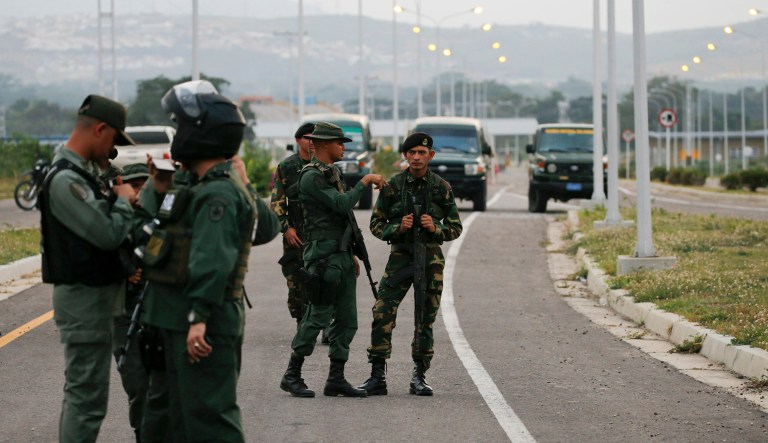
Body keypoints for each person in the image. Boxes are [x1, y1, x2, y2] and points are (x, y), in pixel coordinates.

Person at [138, 80, 255, 442]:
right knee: (168, 418)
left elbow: (212, 260)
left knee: (208, 419)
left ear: (203, 133)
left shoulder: (219, 191)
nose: (179, 133)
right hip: (171, 318)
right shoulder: (194, 185)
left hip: (200, 321)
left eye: (183, 125)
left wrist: (199, 318)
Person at [39, 94, 137, 442]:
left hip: (94, 300)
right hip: (84, 302)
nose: (112, 149)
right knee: (86, 401)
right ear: (99, 129)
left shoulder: (81, 175)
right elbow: (107, 233)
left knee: (86, 396)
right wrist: (124, 202)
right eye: (112, 139)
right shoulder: (67, 180)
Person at [279, 121, 386, 398]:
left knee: (347, 319)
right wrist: (364, 181)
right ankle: (292, 374)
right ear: (325, 144)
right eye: (340, 143)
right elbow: (341, 204)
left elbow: (341, 218)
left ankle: (336, 378)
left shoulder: (332, 172)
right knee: (318, 316)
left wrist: (350, 252)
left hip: (338, 254)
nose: (343, 148)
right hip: (323, 256)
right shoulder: (311, 176)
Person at [358, 132, 462, 396]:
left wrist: (436, 228)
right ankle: (377, 375)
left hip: (430, 260)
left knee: (424, 319)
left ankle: (419, 375)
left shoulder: (441, 187)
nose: (417, 157)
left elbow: (455, 227)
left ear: (431, 156)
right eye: (412, 152)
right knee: (382, 312)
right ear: (405, 155)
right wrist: (396, 228)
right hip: (401, 258)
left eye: (422, 153)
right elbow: (375, 224)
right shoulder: (393, 186)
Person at [110, 163, 152, 442]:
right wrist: (124, 270)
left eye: (143, 186)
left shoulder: (162, 220)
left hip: (159, 313)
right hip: (125, 312)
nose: (138, 193)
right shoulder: (113, 220)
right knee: (138, 385)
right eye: (133, 186)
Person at [270, 122, 314, 323]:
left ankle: (325, 324)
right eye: (307, 137)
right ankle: (301, 321)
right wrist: (286, 228)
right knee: (296, 281)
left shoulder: (326, 166)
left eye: (316, 137)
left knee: (323, 280)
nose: (312, 141)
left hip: (321, 233)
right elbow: (277, 201)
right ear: (298, 140)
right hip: (295, 234)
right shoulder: (287, 167)